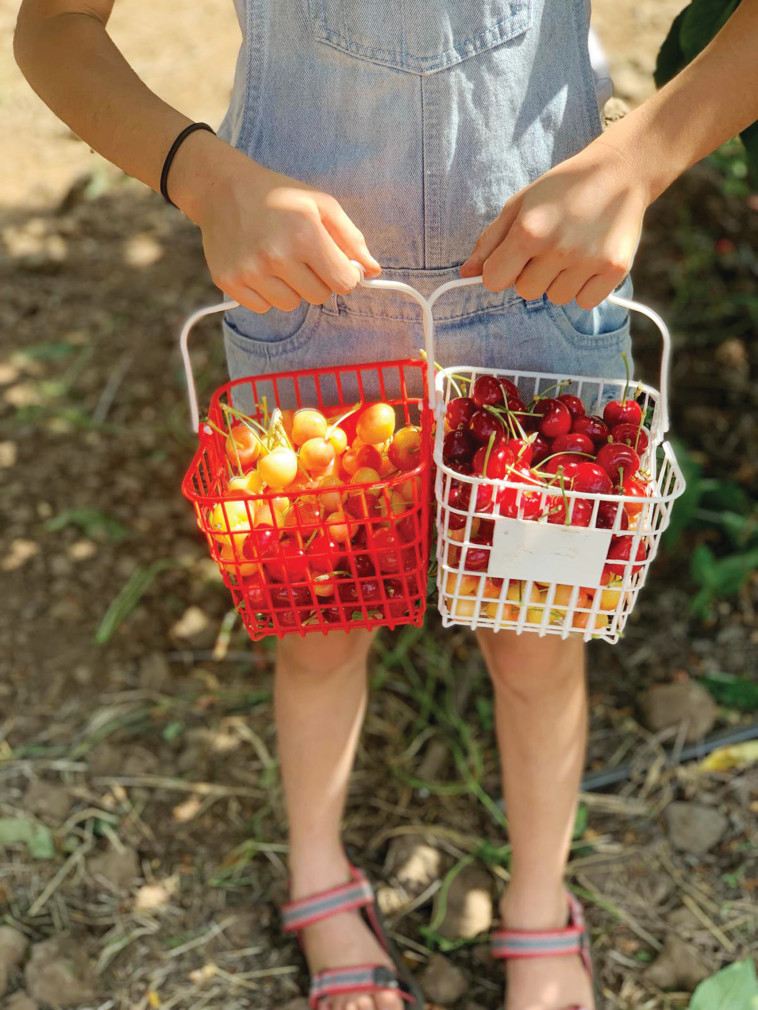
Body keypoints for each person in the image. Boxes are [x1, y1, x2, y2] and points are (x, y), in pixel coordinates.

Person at [14, 2, 758, 1008]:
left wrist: (639, 159)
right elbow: (57, 25)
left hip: (544, 290)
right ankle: (318, 877)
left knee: (536, 637)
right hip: (307, 298)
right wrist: (204, 176)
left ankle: (539, 901)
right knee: (320, 625)